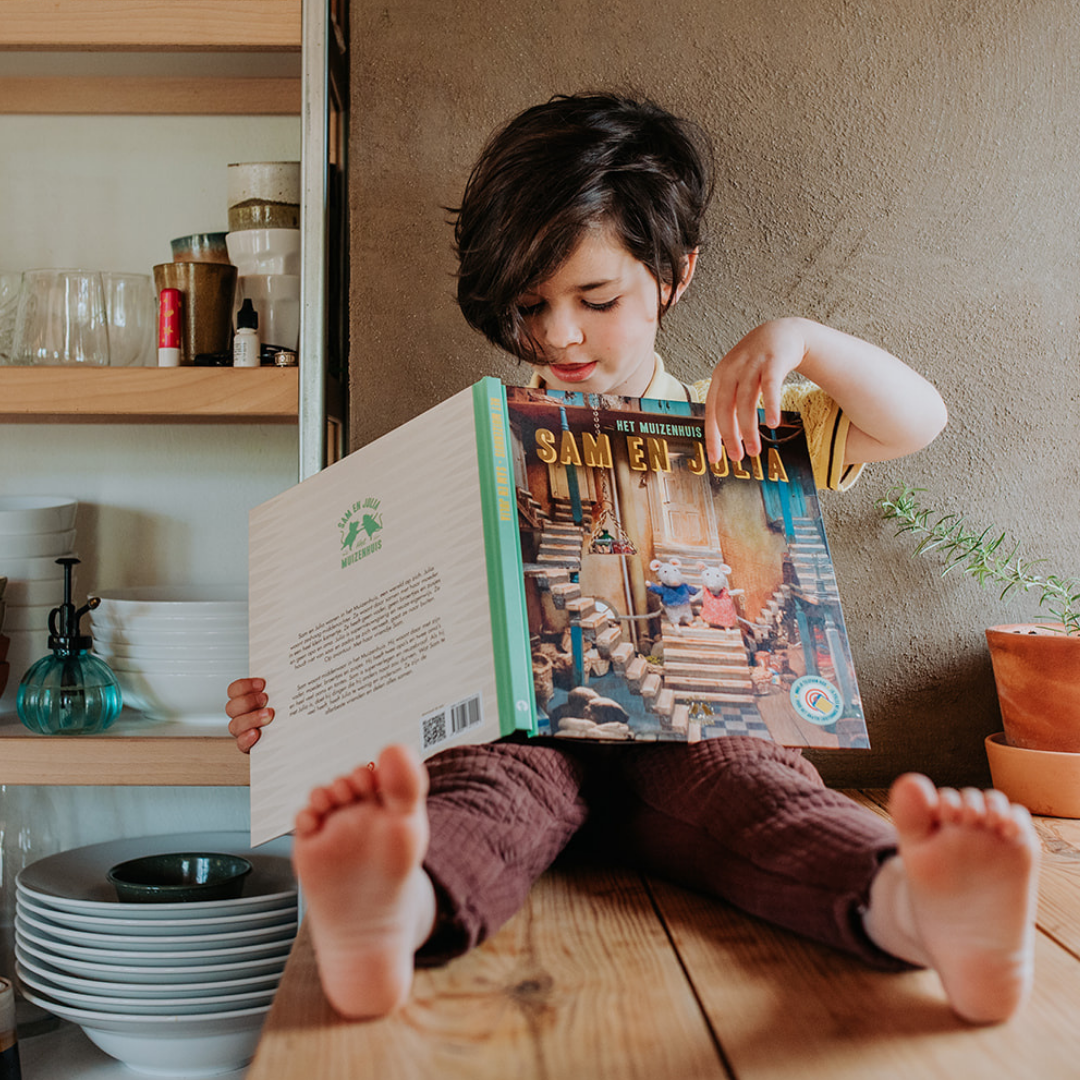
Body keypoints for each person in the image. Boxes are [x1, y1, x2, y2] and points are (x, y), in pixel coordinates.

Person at [227, 93, 1040, 1027]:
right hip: (526, 736)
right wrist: (291, 708)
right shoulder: (474, 444)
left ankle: (921, 906)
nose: (560, 335)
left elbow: (917, 420)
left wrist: (801, 341)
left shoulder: (734, 420)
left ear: (675, 276)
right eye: (530, 306)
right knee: (479, 792)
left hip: (690, 734)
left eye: (597, 299)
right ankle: (387, 909)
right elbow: (383, 629)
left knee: (758, 792)